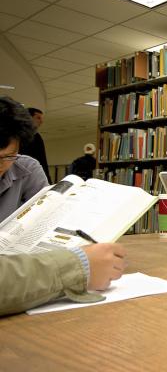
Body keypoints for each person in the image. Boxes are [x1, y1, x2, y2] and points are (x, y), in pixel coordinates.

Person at [0, 96, 126, 316]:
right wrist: (78, 266)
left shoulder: (26, 168)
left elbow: (48, 219)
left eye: (8, 156)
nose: (1, 166)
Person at [21, 107, 51, 183]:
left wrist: (48, 180)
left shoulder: (37, 137)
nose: (41, 121)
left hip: (33, 175)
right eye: (38, 118)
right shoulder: (16, 135)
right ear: (28, 118)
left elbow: (42, 160)